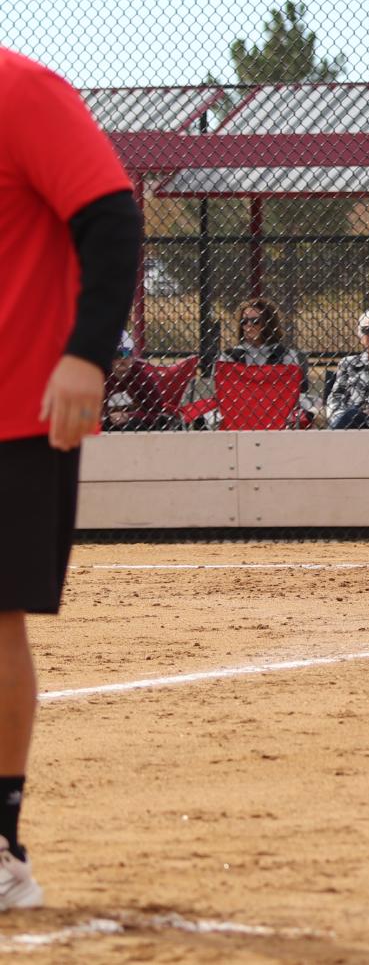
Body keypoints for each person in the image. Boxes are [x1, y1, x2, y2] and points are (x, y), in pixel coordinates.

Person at [1, 48, 143, 913]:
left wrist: (88, 355)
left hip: (16, 405)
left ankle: (1, 845)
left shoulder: (20, 90)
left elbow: (111, 217)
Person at [212, 298, 315, 427]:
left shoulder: (285, 356)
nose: (249, 325)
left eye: (255, 321)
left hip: (277, 415)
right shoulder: (230, 357)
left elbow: (297, 393)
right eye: (244, 321)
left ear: (268, 323)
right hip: (239, 413)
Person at [103, 334, 174, 432]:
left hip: (137, 425)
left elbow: (159, 413)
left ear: (132, 356)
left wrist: (128, 416)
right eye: (116, 355)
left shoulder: (142, 377)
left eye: (126, 353)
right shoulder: (103, 378)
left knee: (133, 425)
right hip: (110, 423)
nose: (122, 359)